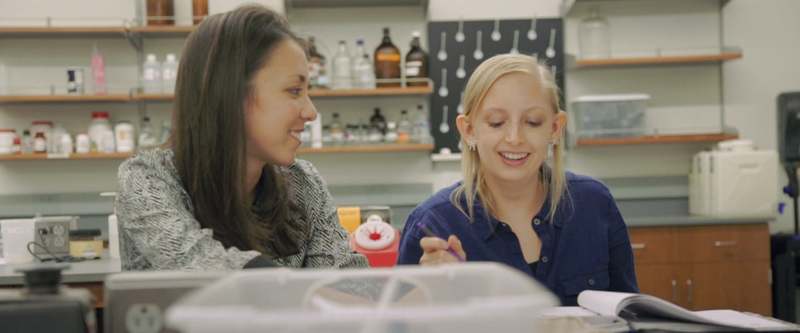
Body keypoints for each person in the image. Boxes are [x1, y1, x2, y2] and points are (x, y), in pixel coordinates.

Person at [115, 5, 367, 271]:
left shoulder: (303, 182)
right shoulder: (148, 179)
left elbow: (347, 279)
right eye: (294, 90)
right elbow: (201, 265)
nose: (311, 112)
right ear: (229, 95)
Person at [396, 54, 638, 305]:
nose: (514, 137)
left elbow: (631, 315)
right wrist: (426, 294)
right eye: (496, 123)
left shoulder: (594, 204)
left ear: (555, 128)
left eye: (532, 122)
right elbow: (396, 325)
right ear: (469, 130)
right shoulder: (434, 224)